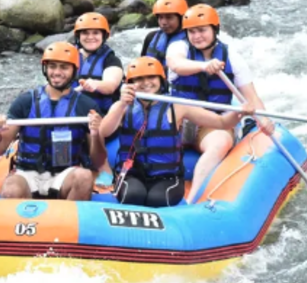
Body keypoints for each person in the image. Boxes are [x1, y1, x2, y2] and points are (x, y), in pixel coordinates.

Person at [99, 57, 247, 207]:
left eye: (151, 77)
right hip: (132, 173)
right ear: (129, 84)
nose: (145, 82)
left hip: (167, 177)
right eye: (139, 79)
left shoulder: (177, 106)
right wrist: (122, 104)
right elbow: (104, 132)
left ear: (161, 79)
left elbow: (221, 123)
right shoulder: (121, 106)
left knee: (157, 200)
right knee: (132, 196)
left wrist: (240, 113)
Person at [166, 4, 274, 181]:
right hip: (181, 121)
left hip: (213, 122)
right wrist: (204, 66)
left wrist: (264, 120)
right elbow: (177, 64)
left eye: (202, 30)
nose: (196, 36)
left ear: (215, 29)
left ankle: (195, 200)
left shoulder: (232, 57)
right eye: (191, 31)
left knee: (219, 144)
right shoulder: (179, 47)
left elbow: (251, 97)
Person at [0, 42, 106, 201]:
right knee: (10, 190)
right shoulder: (25, 102)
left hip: (65, 174)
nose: (57, 72)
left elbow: (98, 162)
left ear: (74, 71)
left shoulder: (86, 106)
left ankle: (67, 222)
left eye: (64, 67)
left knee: (84, 177)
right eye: (52, 66)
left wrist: (96, 133)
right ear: (45, 69)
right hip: (28, 173)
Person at [73, 12, 124, 115]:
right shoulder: (68, 55)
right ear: (79, 36)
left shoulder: (111, 60)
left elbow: (110, 86)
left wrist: (95, 84)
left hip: (100, 116)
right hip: (72, 112)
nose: (90, 37)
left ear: (103, 36)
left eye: (96, 33)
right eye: (85, 33)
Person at [139, 0, 189, 71]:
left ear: (182, 18)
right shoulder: (151, 37)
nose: (163, 22)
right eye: (161, 17)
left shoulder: (192, 40)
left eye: (169, 17)